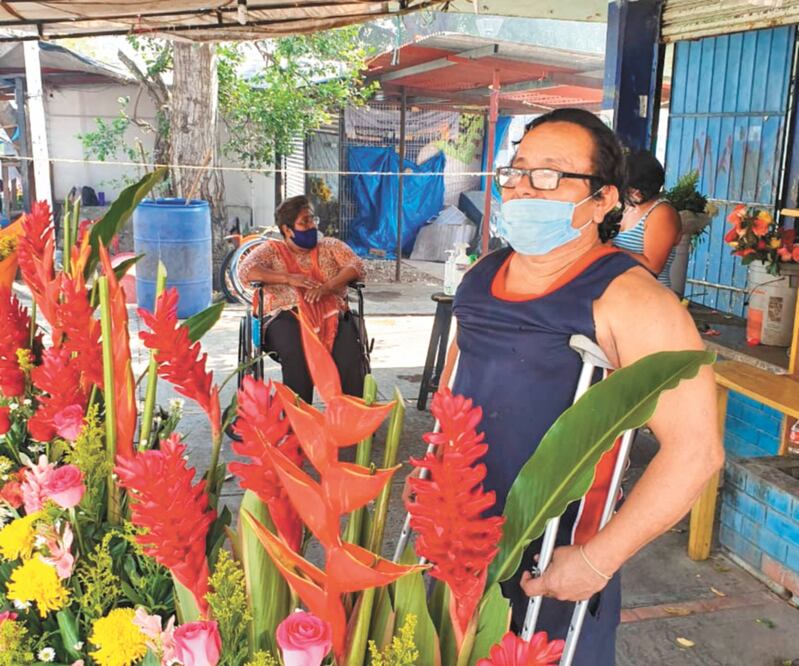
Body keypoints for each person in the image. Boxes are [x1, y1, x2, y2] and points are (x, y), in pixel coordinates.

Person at [446, 109, 722, 664]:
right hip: (458, 533)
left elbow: (696, 450)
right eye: (516, 171)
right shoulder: (482, 276)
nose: (522, 187)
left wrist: (597, 560)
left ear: (602, 200)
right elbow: (454, 391)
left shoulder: (632, 300)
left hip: (552, 556)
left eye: (549, 174)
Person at [238, 195, 366, 403]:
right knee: (298, 352)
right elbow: (246, 271)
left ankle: (350, 420)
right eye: (304, 221)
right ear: (287, 230)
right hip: (285, 317)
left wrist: (327, 287)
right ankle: (298, 419)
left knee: (349, 355)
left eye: (312, 219)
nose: (311, 225)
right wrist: (288, 278)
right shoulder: (272, 250)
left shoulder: (330, 246)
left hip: (332, 315)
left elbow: (356, 266)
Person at [613, 150, 681, 288]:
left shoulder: (661, 213)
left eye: (637, 189)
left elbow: (653, 266)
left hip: (650, 295)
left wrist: (611, 249)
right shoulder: (628, 208)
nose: (633, 193)